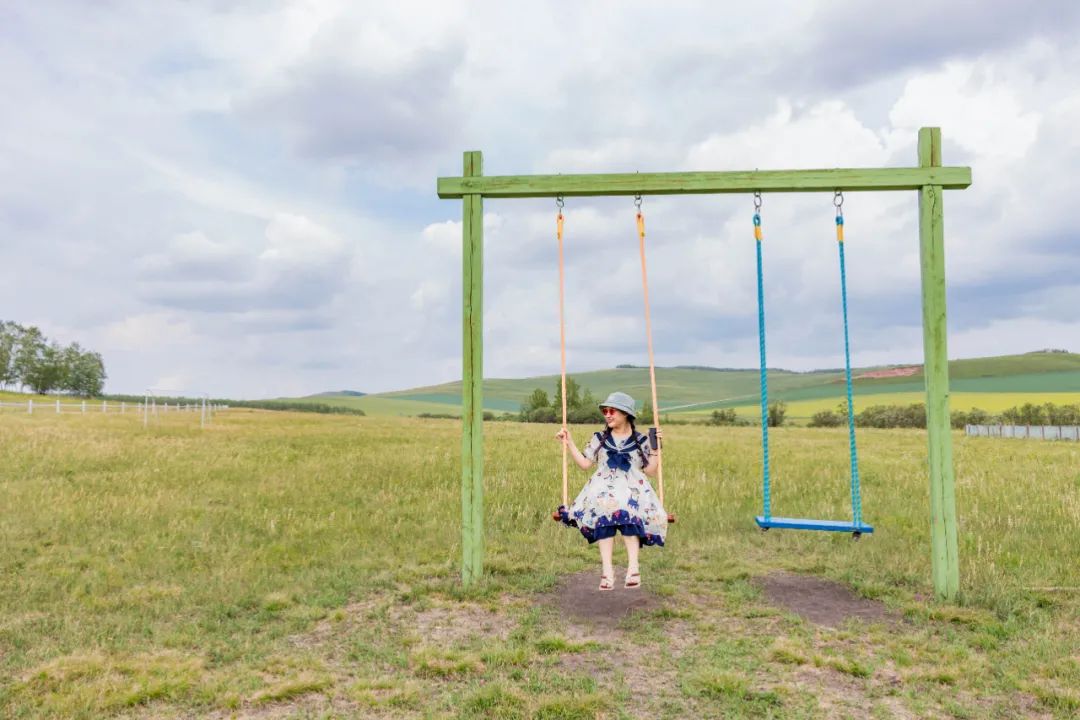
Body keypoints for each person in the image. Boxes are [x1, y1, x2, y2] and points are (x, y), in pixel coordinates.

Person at [555, 391, 668, 590]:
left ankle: (633, 568)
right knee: (603, 512)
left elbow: (650, 471)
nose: (607, 414)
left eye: (611, 411)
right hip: (603, 488)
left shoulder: (641, 440)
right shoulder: (599, 438)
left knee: (627, 509)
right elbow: (584, 464)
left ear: (625, 414)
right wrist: (569, 442)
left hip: (633, 487)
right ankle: (607, 572)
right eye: (605, 411)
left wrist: (656, 449)